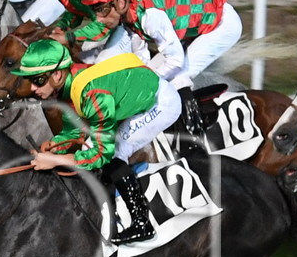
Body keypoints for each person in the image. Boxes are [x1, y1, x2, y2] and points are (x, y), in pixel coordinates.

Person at [16, 38, 181, 244]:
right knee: (91, 148)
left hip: (161, 104)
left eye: (38, 80)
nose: (32, 88)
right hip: (136, 94)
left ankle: (142, 223)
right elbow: (73, 129)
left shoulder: (91, 94)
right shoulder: (70, 82)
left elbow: (102, 154)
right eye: (29, 80)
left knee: (115, 154)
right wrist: (54, 146)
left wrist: (55, 160)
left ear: (57, 75)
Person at [77, 0, 242, 140]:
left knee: (178, 75)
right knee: (154, 74)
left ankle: (194, 136)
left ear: (120, 2)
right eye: (95, 11)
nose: (99, 19)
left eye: (103, 10)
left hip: (222, 24)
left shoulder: (149, 17)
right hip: (201, 23)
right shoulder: (130, 15)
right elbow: (141, 59)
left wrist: (146, 84)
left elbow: (175, 60)